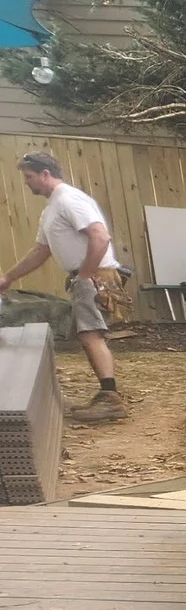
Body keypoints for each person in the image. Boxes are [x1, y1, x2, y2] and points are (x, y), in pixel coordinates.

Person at [0, 151, 128, 424]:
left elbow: (100, 236)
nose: (27, 183)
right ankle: (108, 395)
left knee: (91, 335)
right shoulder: (51, 209)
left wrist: (85, 275)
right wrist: (8, 278)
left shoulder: (69, 199)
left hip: (94, 278)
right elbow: (41, 251)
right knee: (87, 335)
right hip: (86, 276)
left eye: (30, 177)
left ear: (46, 174)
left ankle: (111, 398)